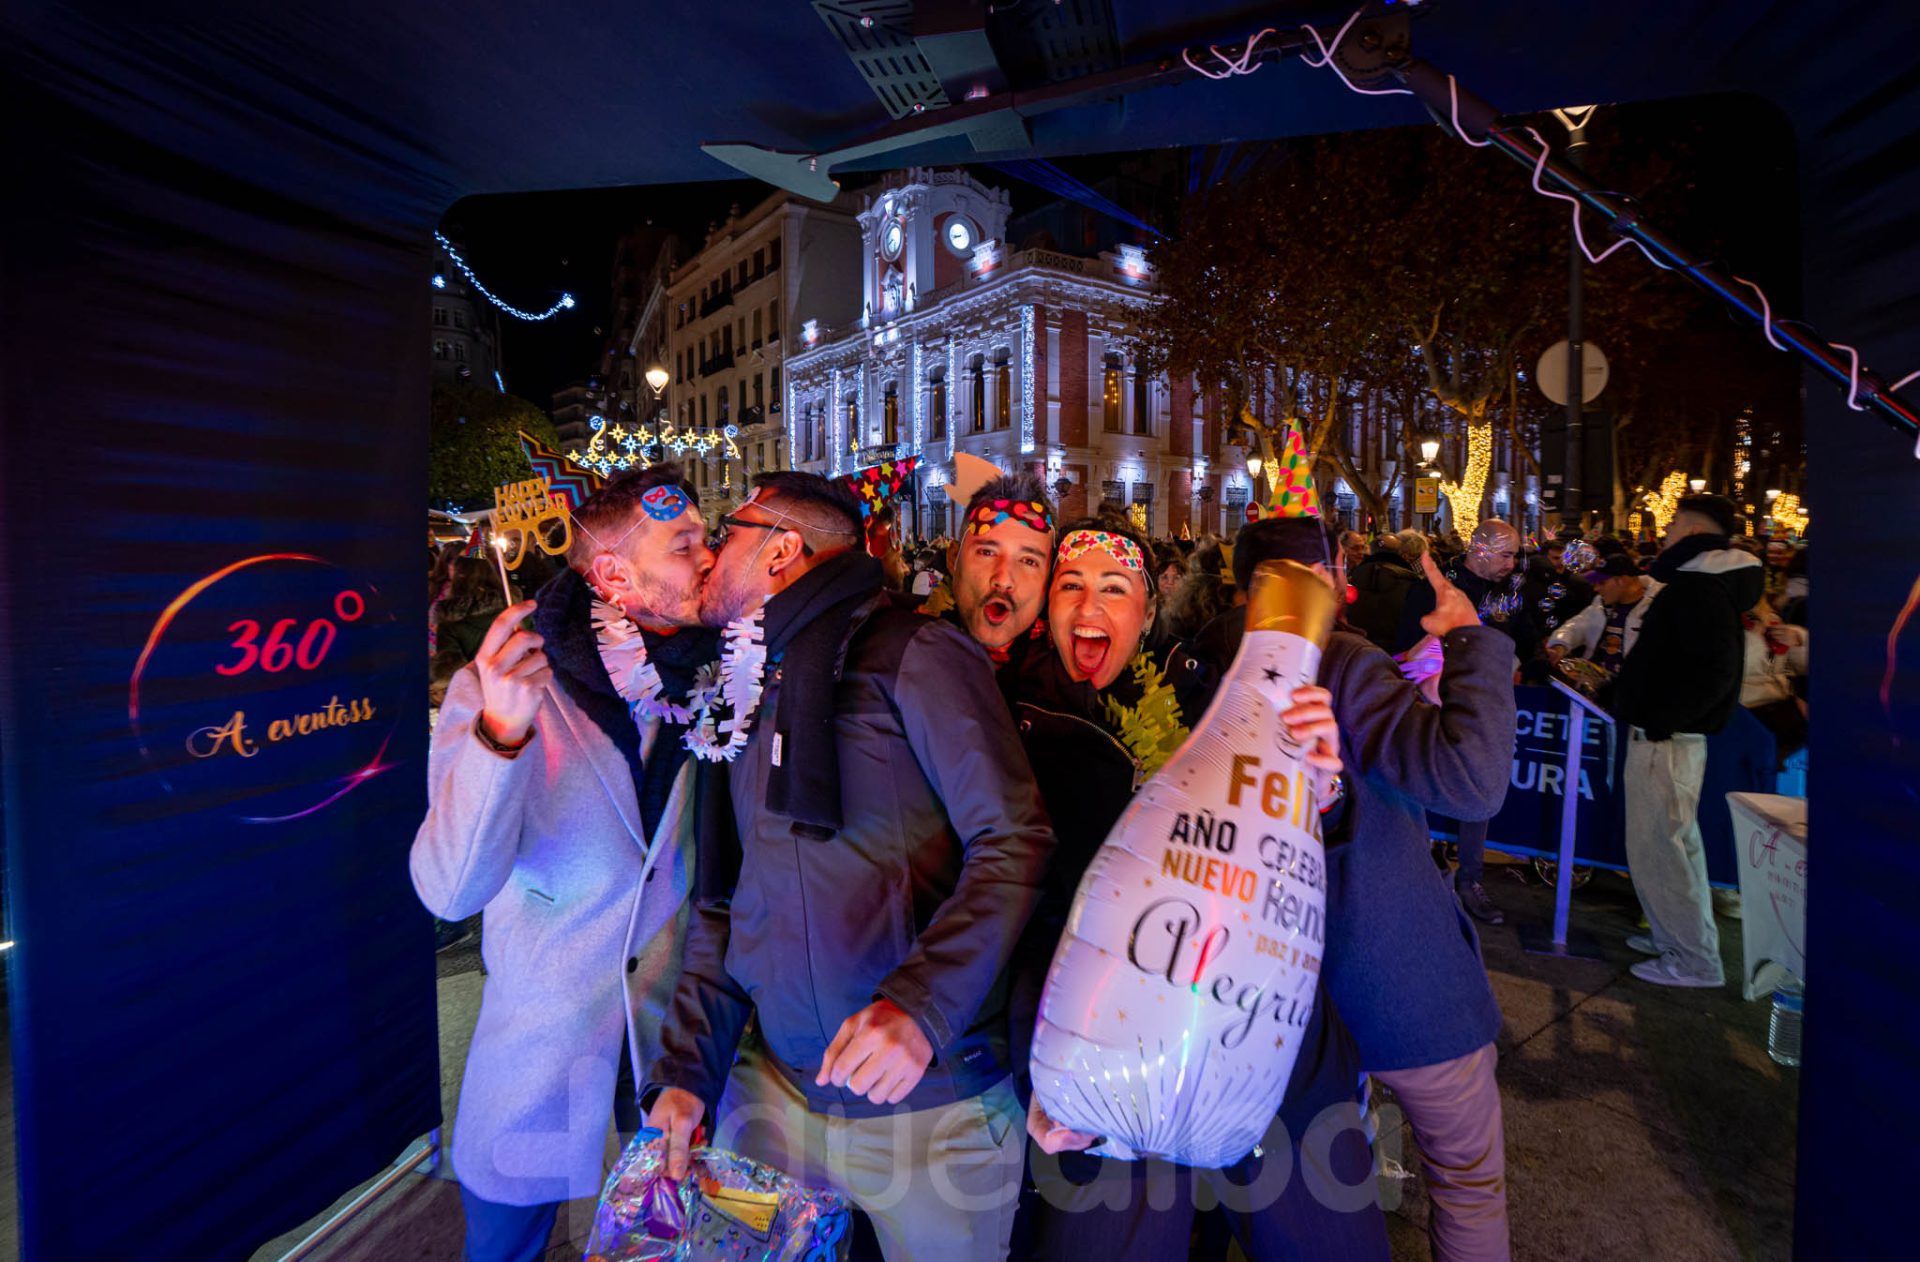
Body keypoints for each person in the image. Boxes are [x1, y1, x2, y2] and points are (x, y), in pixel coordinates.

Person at [644, 472, 1053, 1262]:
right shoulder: (741, 687)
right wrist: (689, 1069)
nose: (708, 555)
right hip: (774, 1101)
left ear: (782, 550)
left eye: (728, 532)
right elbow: (725, 904)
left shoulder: (915, 653)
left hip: (932, 1114)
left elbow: (1015, 840)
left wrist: (921, 1007)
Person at [1008, 516, 1387, 1260]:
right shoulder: (1011, 719)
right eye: (1069, 586)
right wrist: (1042, 1075)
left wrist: (1323, 789)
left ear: (1149, 607)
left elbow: (1310, 871)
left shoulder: (1220, 695)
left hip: (1267, 1054)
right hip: (1110, 1079)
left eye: (1113, 589)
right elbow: (1018, 912)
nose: (1088, 609)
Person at [1176, 516, 1518, 1262]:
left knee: (1320, 1193)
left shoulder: (1192, 664)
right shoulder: (1341, 660)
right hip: (1397, 981)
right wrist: (1470, 641)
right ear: (1331, 580)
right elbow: (1470, 780)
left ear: (1240, 587)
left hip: (1263, 1007)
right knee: (1465, 1178)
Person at [411, 466, 717, 1261]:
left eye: (705, 536)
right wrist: (500, 736)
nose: (709, 555)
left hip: (676, 1060)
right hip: (543, 1061)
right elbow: (447, 889)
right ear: (614, 573)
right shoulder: (509, 683)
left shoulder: (731, 671)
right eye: (684, 543)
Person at [1611, 495, 1764, 988]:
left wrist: (1661, 718)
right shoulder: (1700, 584)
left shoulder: (1698, 588)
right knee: (1670, 845)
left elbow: (1715, 672)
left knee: (1662, 847)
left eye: (1675, 522)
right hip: (1669, 733)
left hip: (1666, 738)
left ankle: (1693, 960)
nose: (1668, 530)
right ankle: (1673, 937)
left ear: (1694, 530)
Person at [1394, 520, 1530, 926]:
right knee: (1413, 789)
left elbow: (1527, 639)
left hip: (1478, 708)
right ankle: (1414, 875)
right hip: (1430, 704)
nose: (1512, 563)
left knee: (1476, 793)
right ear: (1481, 549)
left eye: (1515, 555)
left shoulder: (1509, 594)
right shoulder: (1433, 588)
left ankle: (1469, 880)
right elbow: (1405, 647)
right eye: (1506, 554)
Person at [943, 472, 1057, 659]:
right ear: (954, 558)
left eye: (1029, 561)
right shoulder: (899, 652)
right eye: (987, 553)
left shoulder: (1064, 681)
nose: (1003, 580)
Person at [1546, 555, 1660, 680]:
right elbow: (1575, 626)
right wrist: (1560, 644)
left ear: (1623, 580)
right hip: (1595, 686)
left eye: (1602, 583)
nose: (1596, 588)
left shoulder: (1659, 607)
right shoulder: (1601, 603)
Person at [1739, 598, 1809, 766]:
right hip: (1747, 710)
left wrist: (1800, 639)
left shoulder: (1770, 617)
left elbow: (1804, 667)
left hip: (1782, 704)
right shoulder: (1720, 619)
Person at [1346, 531, 1421, 649]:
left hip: (1358, 651)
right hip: (1398, 656)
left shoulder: (1352, 580)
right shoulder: (1412, 584)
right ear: (1402, 554)